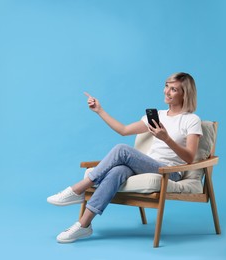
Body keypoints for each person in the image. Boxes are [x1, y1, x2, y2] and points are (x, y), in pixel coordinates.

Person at [47, 72, 203, 243]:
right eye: (166, 86)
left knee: (122, 150)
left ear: (184, 94)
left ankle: (78, 189)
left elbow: (189, 158)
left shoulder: (191, 120)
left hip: (170, 172)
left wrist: (166, 138)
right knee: (118, 171)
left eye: (173, 89)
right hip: (148, 166)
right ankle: (84, 225)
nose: (167, 91)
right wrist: (100, 111)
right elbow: (124, 130)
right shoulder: (158, 116)